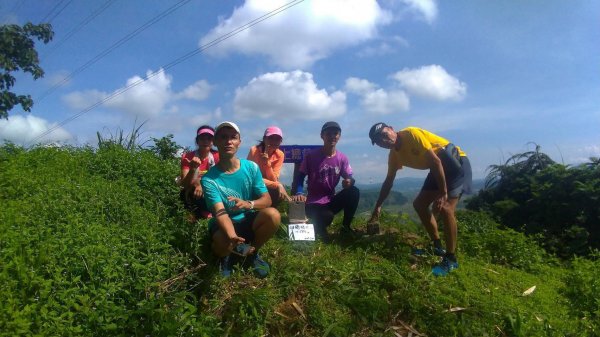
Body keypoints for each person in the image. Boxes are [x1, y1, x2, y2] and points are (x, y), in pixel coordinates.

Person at [367, 122, 472, 276]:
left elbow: (436, 161)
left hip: (456, 163)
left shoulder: (411, 134)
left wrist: (443, 193)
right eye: (378, 141)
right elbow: (388, 181)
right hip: (437, 168)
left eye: (384, 135)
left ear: (391, 129)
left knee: (446, 208)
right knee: (419, 204)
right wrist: (378, 206)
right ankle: (436, 246)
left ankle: (451, 259)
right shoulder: (394, 156)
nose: (383, 141)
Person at [201, 121, 281, 278]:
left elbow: (266, 200)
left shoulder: (251, 168)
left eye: (233, 137)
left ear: (239, 142)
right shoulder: (209, 179)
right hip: (224, 223)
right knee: (223, 242)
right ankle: (225, 256)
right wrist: (232, 236)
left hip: (247, 218)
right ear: (215, 142)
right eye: (223, 137)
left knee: (273, 215)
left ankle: (251, 253)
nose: (228, 141)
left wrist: (249, 203)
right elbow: (220, 212)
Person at [291, 121, 360, 240]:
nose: (332, 136)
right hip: (313, 202)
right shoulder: (311, 156)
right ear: (322, 136)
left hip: (330, 199)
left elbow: (349, 176)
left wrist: (350, 182)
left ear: (339, 136)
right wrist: (299, 192)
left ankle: (346, 227)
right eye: (328, 133)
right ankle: (316, 228)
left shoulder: (342, 158)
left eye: (335, 133)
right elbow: (300, 176)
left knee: (353, 191)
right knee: (326, 217)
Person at [179, 125, 219, 220]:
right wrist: (193, 168)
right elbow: (185, 183)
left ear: (213, 142)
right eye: (202, 138)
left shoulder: (217, 156)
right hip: (192, 191)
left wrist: (202, 184)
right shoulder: (188, 157)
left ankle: (208, 213)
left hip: (212, 190)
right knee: (186, 192)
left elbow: (221, 177)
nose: (205, 141)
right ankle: (194, 215)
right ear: (197, 141)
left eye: (209, 139)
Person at [247, 126, 290, 207]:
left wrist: (267, 163)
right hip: (252, 185)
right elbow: (252, 177)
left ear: (281, 141)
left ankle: (269, 211)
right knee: (277, 188)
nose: (274, 141)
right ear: (264, 139)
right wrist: (278, 185)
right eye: (270, 138)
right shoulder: (254, 151)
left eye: (277, 139)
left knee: (277, 191)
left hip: (267, 185)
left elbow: (273, 179)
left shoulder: (280, 155)